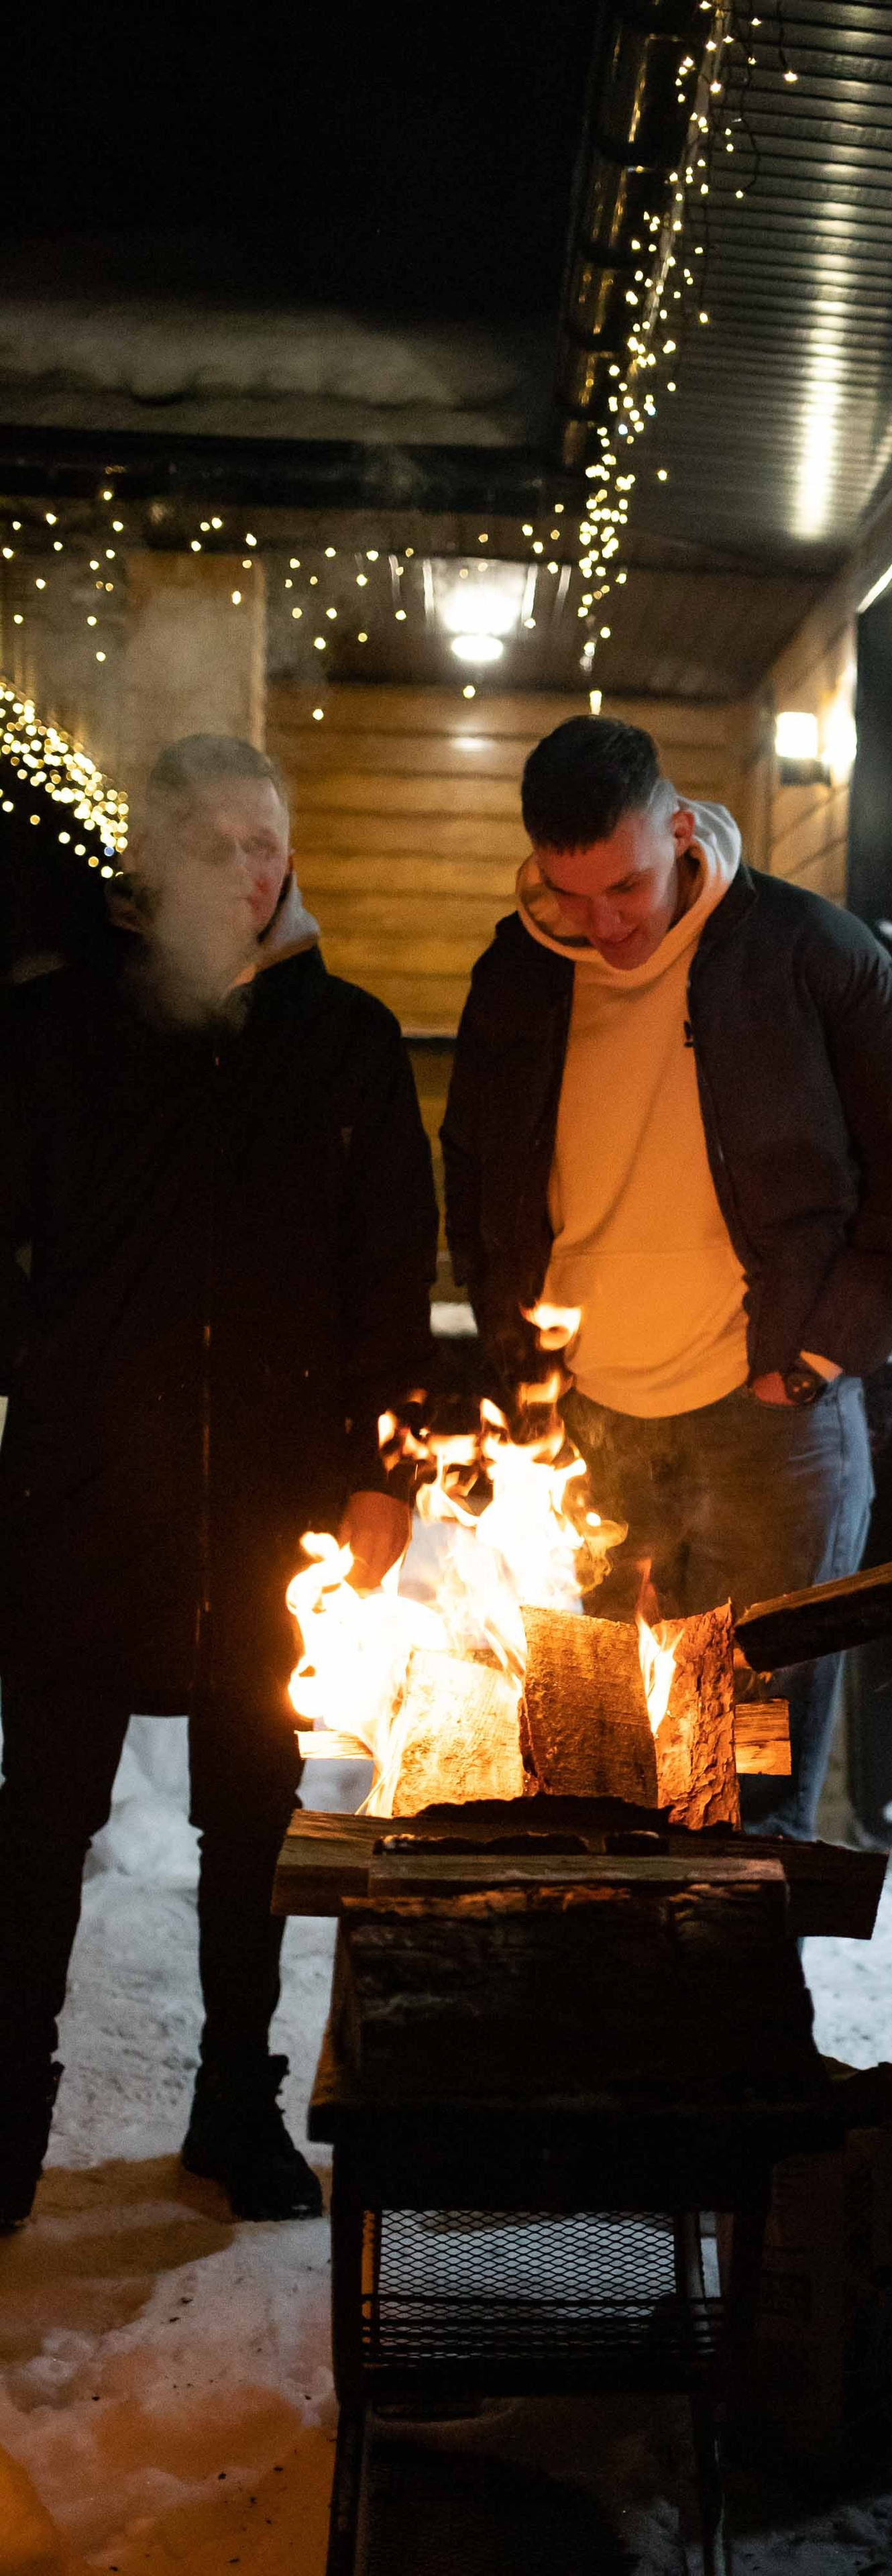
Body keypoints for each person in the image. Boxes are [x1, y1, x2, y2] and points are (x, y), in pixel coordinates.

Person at [0, 735, 437, 2229]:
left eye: (269, 842)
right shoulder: (62, 1033)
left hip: (272, 1509)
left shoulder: (346, 1040)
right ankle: (7, 2118)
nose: (252, 873)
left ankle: (233, 2111)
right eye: (216, 845)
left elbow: (392, 1275)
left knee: (251, 1822)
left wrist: (382, 1471)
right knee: (40, 1817)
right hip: (78, 1497)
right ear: (155, 866)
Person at [441, 715, 892, 1838]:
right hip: (581, 1433)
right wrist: (512, 1350)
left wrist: (830, 1349)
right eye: (568, 894)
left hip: (771, 1426)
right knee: (592, 1778)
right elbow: (474, 1169)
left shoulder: (804, 948)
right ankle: (616, 2008)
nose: (603, 924)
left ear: (679, 829)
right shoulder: (520, 973)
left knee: (747, 1789)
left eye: (625, 887)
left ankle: (742, 2016)